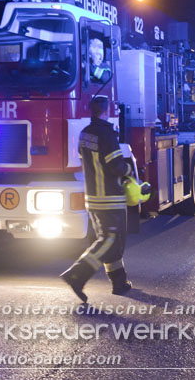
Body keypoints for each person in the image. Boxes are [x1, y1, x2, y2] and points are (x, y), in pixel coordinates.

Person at [61, 95, 133, 301]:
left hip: (93, 196)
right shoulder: (106, 133)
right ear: (107, 110)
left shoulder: (85, 133)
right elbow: (116, 166)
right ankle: (77, 275)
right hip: (109, 195)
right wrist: (130, 170)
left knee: (113, 240)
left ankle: (119, 283)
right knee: (109, 240)